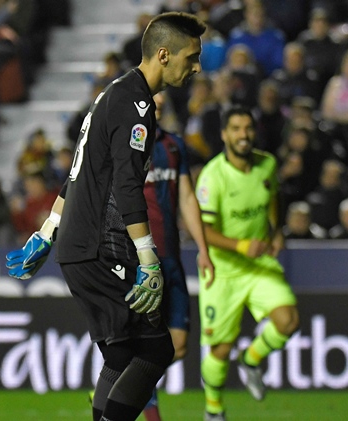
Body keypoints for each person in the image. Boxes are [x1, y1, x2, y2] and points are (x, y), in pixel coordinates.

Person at [6, 12, 206, 421]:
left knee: (120, 353)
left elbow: (79, 172)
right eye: (192, 56)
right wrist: (148, 258)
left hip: (79, 246)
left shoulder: (111, 95)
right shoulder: (136, 105)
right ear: (164, 55)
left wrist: (47, 232)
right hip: (102, 246)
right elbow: (127, 186)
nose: (197, 66)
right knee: (156, 349)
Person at [195, 106, 300, 421]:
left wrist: (277, 230)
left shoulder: (266, 165)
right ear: (225, 135)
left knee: (288, 321)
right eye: (236, 129)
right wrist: (241, 245)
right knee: (220, 351)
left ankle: (251, 360)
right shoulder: (212, 177)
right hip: (223, 271)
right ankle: (214, 411)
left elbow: (273, 199)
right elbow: (203, 230)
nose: (243, 135)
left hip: (258, 266)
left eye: (247, 129)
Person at [141, 93, 214, 420]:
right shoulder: (123, 148)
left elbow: (186, 197)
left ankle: (118, 381)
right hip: (139, 262)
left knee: (179, 346)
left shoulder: (173, 146)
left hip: (172, 258)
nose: (155, 109)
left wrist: (203, 247)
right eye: (149, 103)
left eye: (159, 104)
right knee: (149, 343)